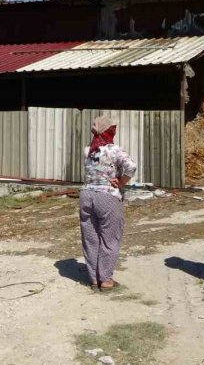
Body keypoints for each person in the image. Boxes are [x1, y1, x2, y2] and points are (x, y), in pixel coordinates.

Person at [79, 115, 137, 292]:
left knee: (91, 238)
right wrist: (121, 181)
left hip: (86, 195)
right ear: (109, 131)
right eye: (113, 129)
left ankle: (94, 278)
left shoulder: (87, 150)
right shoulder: (114, 150)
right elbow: (131, 167)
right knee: (109, 237)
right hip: (107, 196)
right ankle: (105, 279)